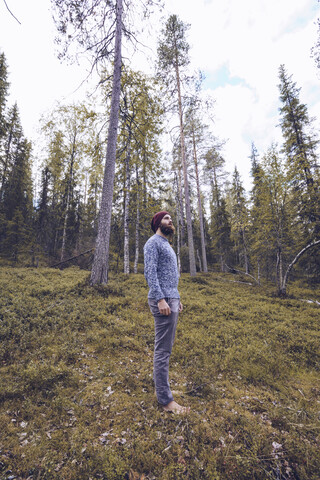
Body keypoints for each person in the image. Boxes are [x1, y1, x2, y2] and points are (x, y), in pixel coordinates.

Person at [144, 211, 189, 414]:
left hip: (171, 299)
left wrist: (176, 298)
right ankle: (165, 401)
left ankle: (162, 387)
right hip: (162, 300)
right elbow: (150, 273)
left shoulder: (166, 245)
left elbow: (169, 276)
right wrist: (161, 299)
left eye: (170, 218)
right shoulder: (153, 243)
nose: (170, 221)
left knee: (166, 348)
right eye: (166, 218)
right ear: (157, 223)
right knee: (163, 350)